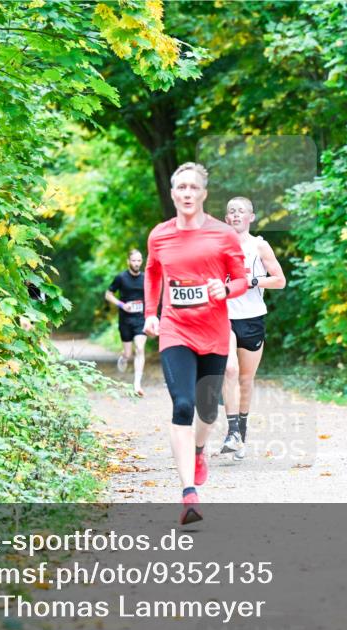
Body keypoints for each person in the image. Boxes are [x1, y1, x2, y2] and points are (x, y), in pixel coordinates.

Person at [143, 162, 248, 524]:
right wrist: (150, 313)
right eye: (181, 188)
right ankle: (189, 493)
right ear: (173, 193)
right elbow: (153, 271)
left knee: (208, 411)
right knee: (183, 405)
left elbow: (241, 279)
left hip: (214, 333)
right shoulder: (159, 235)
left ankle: (199, 449)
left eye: (193, 188)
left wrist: (226, 288)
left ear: (203, 194)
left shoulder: (223, 235)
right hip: (176, 330)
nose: (187, 193)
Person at [219, 197, 286, 459]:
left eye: (241, 211)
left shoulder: (260, 246)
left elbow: (280, 281)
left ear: (251, 217)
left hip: (253, 317)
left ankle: (240, 436)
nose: (236, 215)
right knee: (230, 370)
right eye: (231, 211)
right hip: (224, 317)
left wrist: (253, 281)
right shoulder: (218, 247)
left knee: (246, 380)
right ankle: (232, 431)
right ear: (226, 219)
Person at [105, 249, 147, 396]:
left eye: (139, 260)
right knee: (128, 354)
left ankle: (137, 384)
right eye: (134, 260)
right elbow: (108, 294)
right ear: (128, 262)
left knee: (140, 348)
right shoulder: (121, 278)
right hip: (125, 319)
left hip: (141, 319)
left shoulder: (146, 278)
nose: (136, 263)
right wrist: (122, 305)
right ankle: (124, 357)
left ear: (142, 261)